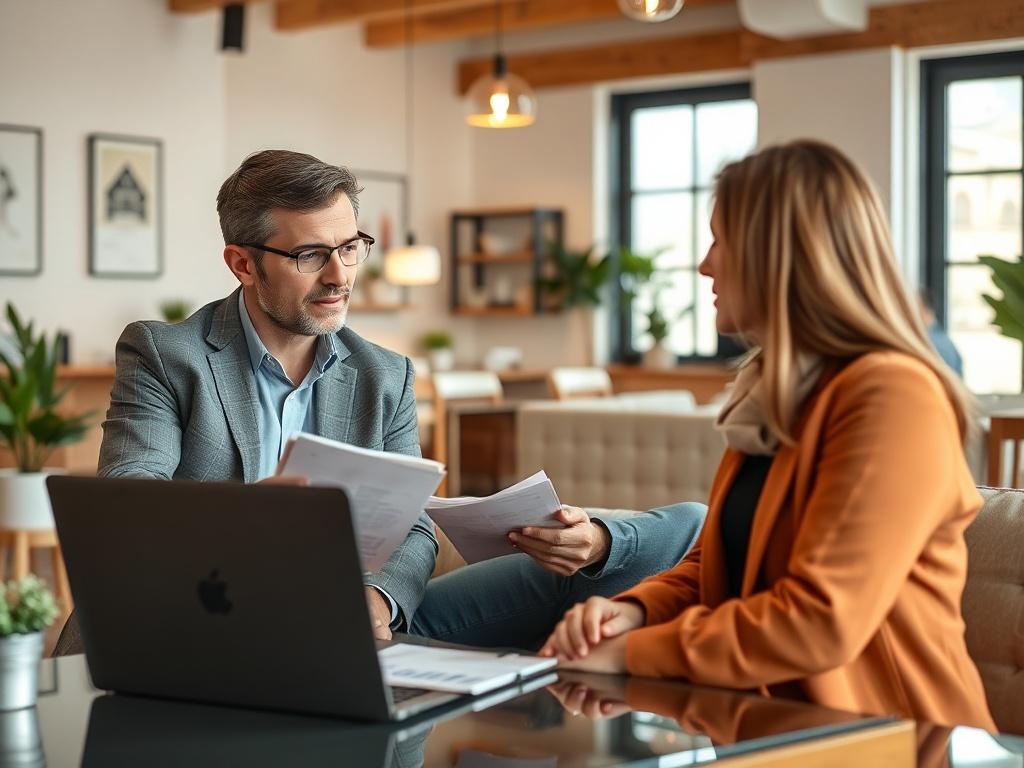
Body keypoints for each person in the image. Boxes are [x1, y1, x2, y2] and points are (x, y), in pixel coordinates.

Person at [54, 149, 703, 655]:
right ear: (242, 265)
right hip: (201, 621)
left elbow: (413, 527)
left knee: (662, 538)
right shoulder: (167, 355)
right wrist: (244, 518)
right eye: (311, 254)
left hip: (341, 624)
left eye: (350, 247)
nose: (339, 276)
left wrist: (379, 602)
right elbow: (126, 506)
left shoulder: (383, 374)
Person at [540, 140, 995, 731]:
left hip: (892, 740)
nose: (705, 264)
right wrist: (632, 612)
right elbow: (717, 565)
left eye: (719, 239)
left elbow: (819, 620)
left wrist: (634, 655)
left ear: (776, 255)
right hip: (769, 726)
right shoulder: (773, 394)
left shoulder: (892, 395)